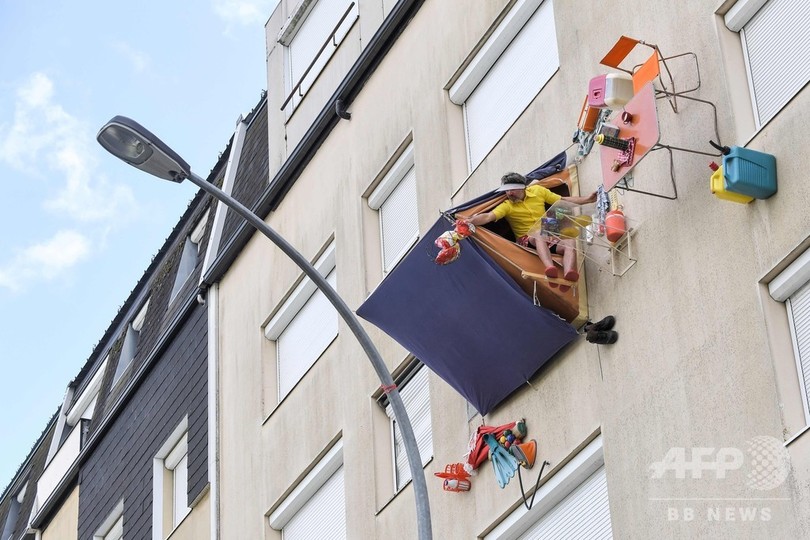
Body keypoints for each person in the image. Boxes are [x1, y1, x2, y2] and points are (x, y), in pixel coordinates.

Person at [466, 172, 597, 293]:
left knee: (569, 242)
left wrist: (588, 199)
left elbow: (563, 200)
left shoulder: (538, 191)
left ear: (522, 187)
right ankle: (550, 268)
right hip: (527, 239)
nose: (509, 193)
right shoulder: (507, 205)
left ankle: (568, 275)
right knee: (539, 234)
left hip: (548, 233)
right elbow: (488, 216)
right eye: (507, 191)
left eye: (512, 189)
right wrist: (469, 221)